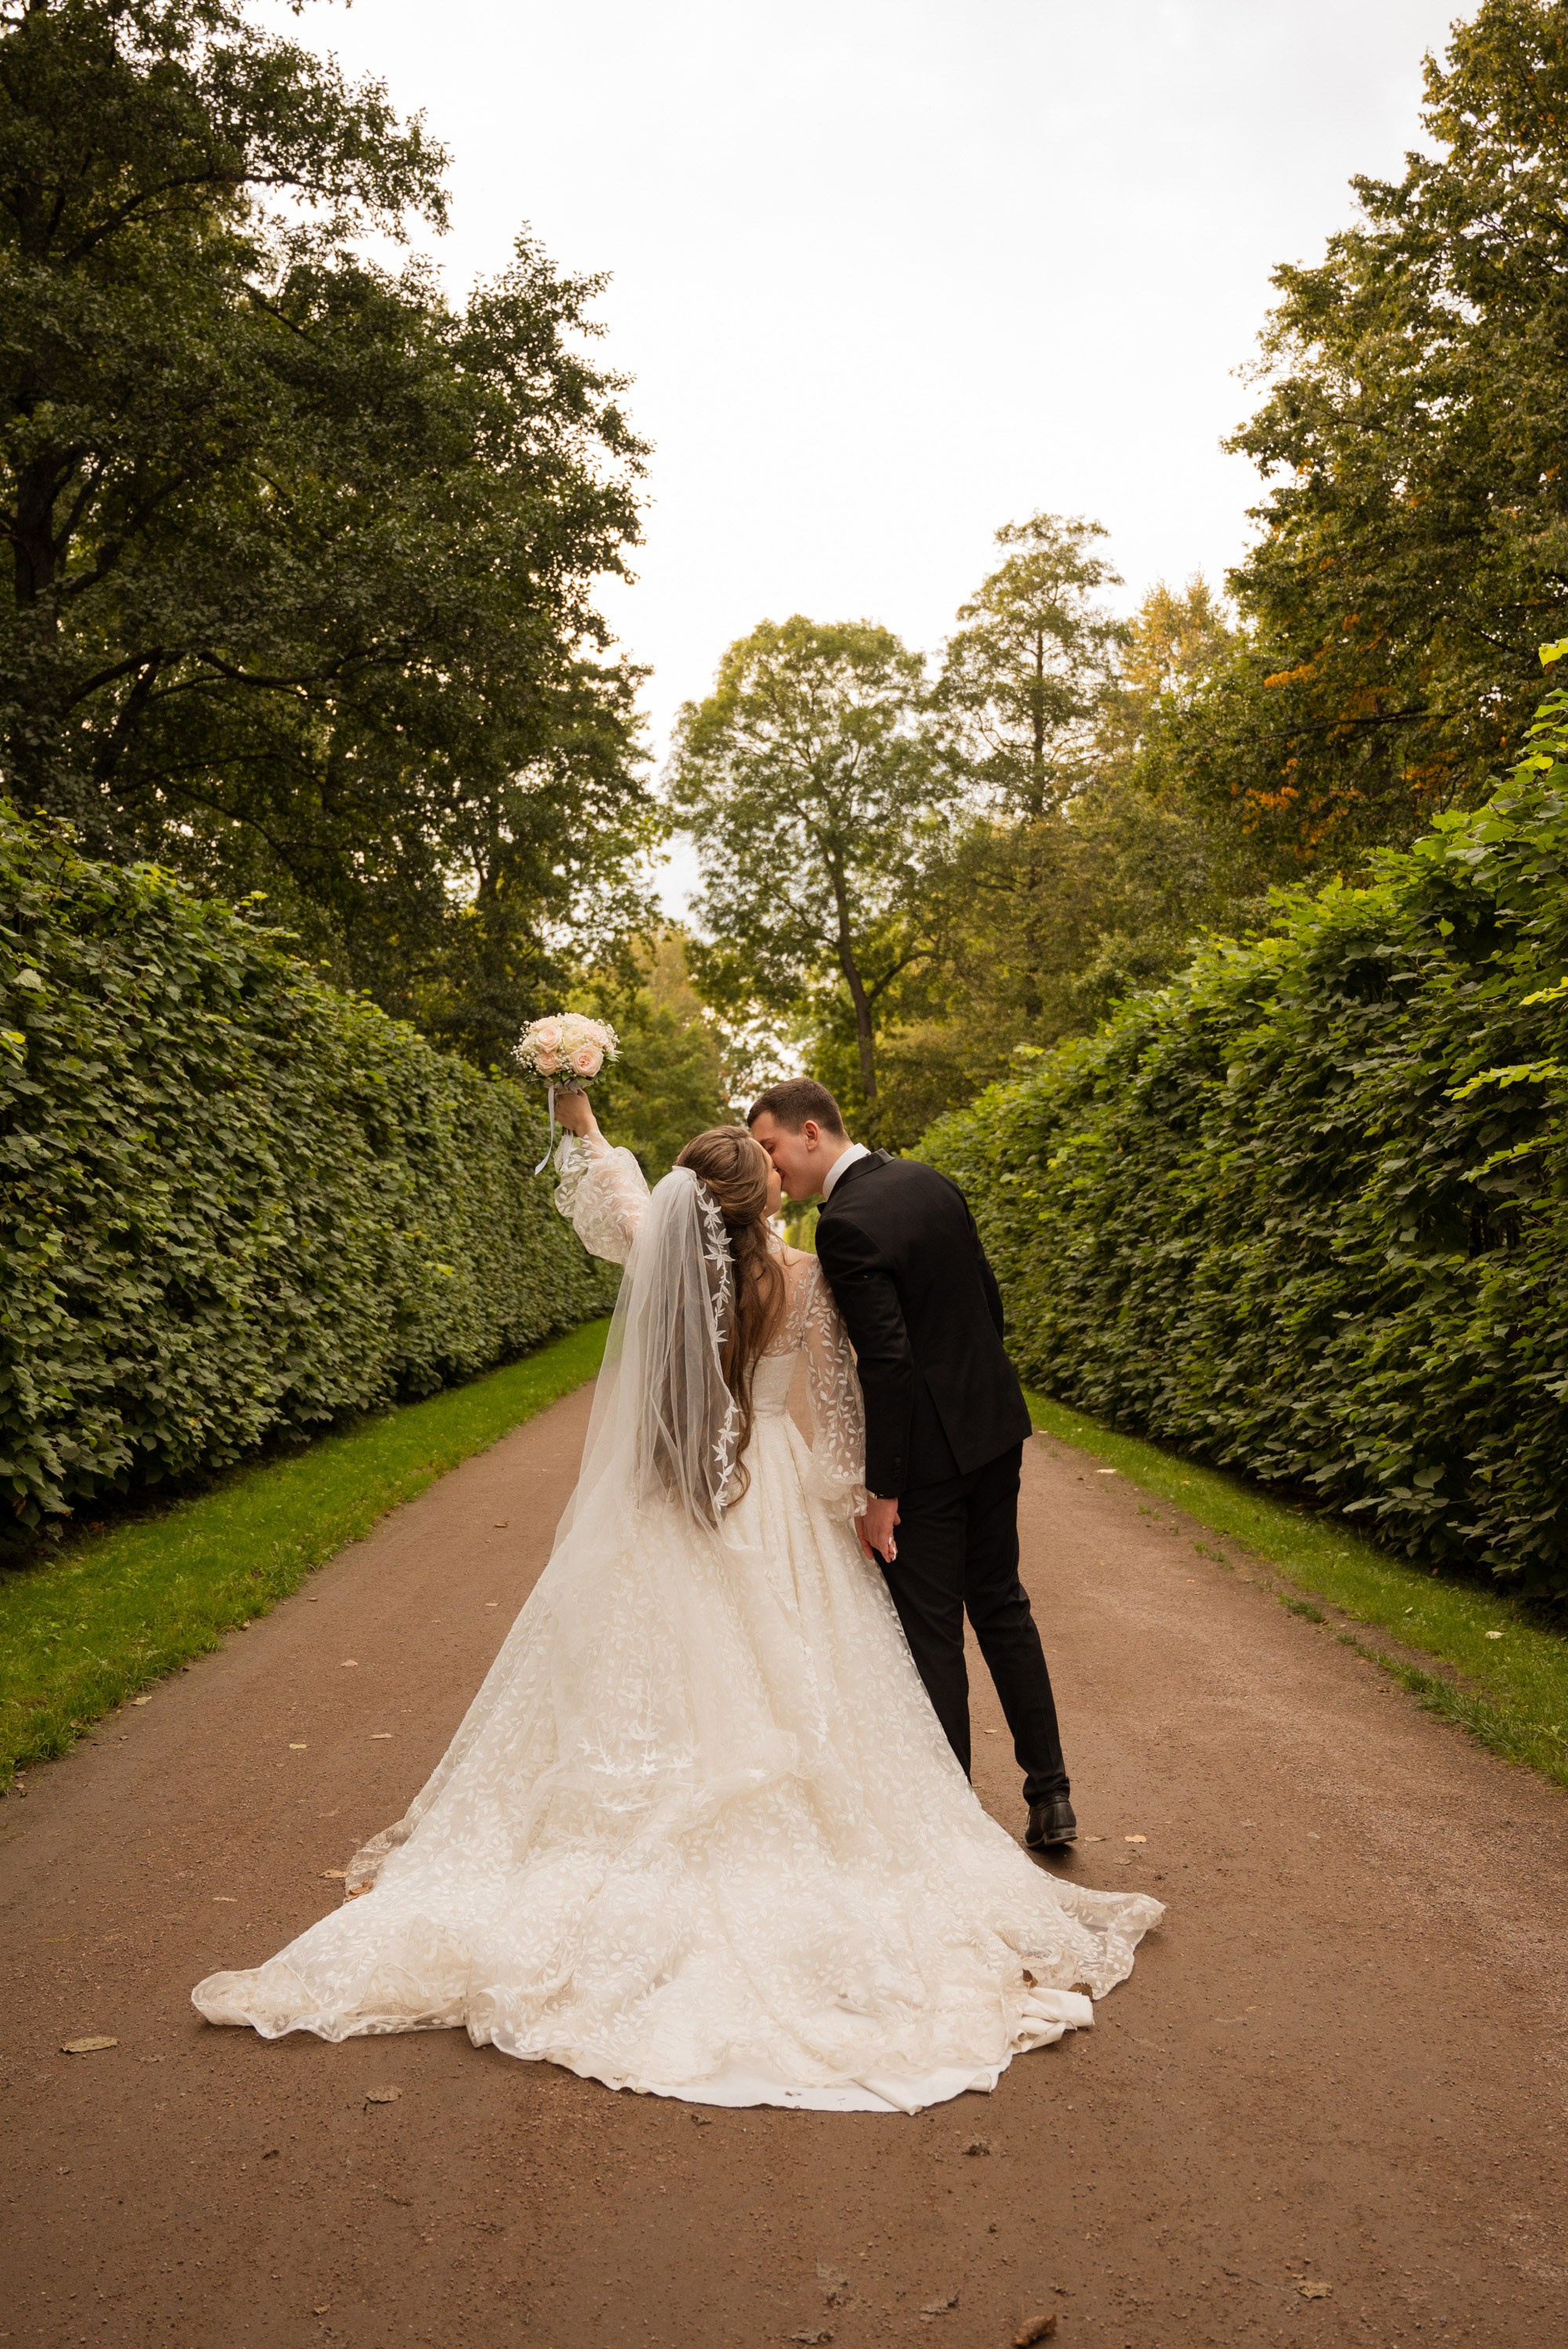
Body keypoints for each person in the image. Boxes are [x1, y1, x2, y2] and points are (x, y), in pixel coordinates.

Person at [193, 1099, 1158, 2112]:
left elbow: (621, 1206)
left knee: (636, 1681)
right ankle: (993, 1797)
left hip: (670, 1499)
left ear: (687, 1210)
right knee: (853, 1658)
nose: (789, 1185)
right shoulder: (804, 1278)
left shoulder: (665, 1273)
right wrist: (852, 1502)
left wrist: (581, 1113)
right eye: (775, 1181)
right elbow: (838, 1409)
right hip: (776, 1493)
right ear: (762, 1201)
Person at [747, 1079, 1075, 1854]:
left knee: (930, 1633)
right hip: (994, 1428)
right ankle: (1050, 1793)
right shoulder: (931, 1180)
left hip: (926, 1460)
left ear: (810, 1133)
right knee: (1001, 1606)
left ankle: (951, 1820)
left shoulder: (847, 1225)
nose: (771, 1167)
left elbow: (887, 1364)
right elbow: (987, 1304)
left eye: (770, 1147)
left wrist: (881, 1489)